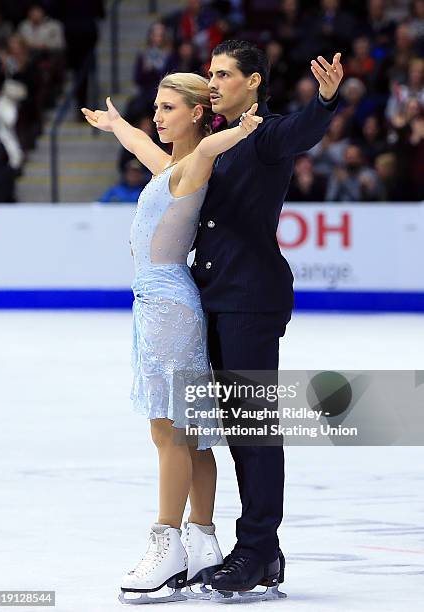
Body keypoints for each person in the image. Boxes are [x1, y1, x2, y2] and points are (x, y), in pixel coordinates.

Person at [81, 72, 263, 603]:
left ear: (197, 111)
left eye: (168, 108)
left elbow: (210, 142)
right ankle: (202, 539)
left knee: (169, 431)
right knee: (192, 433)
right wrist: (118, 126)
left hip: (166, 307)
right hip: (160, 306)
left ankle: (167, 544)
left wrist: (245, 126)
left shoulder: (198, 160)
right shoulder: (174, 168)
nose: (157, 117)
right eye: (156, 108)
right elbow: (147, 146)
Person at [189, 40, 343, 600]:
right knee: (239, 431)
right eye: (211, 73)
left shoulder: (265, 134)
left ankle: (255, 549)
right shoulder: (214, 138)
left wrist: (325, 100)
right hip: (218, 295)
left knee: (254, 430)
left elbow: (301, 131)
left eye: (225, 74)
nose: (214, 82)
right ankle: (263, 550)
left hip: (251, 298)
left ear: (253, 81)